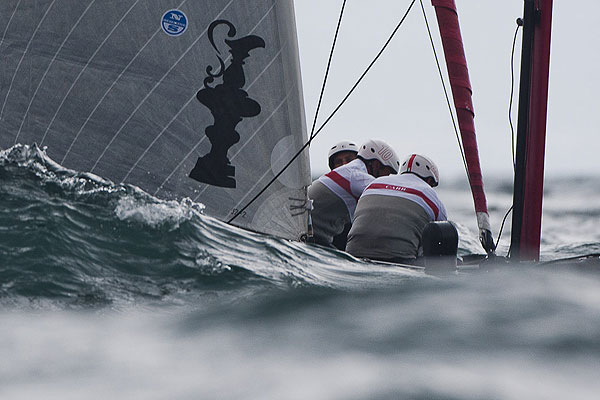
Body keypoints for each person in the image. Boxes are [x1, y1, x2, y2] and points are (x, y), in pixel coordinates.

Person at [346, 153, 448, 264]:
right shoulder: (430, 193)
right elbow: (442, 233)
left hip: (352, 255)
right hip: (399, 261)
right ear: (429, 180)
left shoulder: (373, 184)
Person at [309, 139, 400, 249]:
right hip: (312, 237)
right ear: (376, 165)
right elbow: (393, 198)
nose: (385, 178)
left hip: (315, 236)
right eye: (386, 173)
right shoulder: (356, 176)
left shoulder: (352, 174)